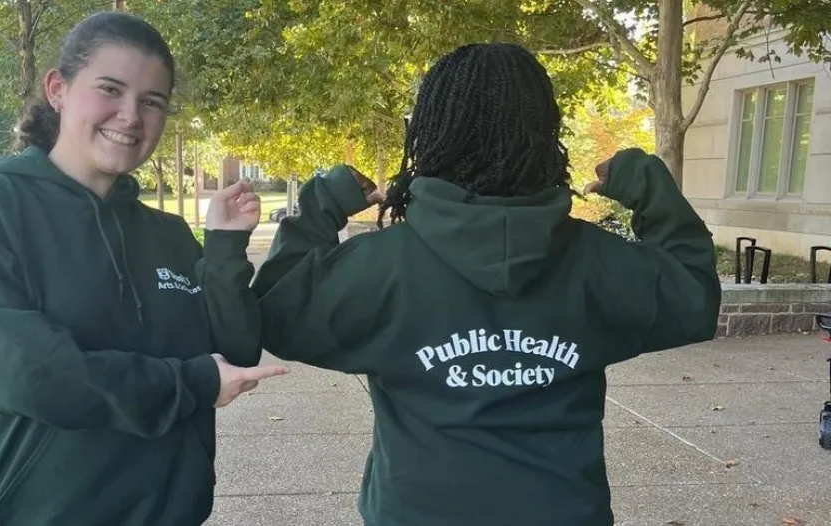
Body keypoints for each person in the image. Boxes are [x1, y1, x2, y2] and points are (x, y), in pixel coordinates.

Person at [252, 43, 721, 526]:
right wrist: (649, 188)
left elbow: (275, 312)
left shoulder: (382, 265)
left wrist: (323, 204)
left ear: (431, 134)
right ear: (544, 133)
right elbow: (692, 297)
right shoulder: (594, 261)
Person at [0, 12, 287, 526]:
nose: (131, 116)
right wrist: (190, 384)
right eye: (110, 89)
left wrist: (224, 247)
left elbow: (234, 353)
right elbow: (24, 372)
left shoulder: (168, 235)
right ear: (58, 88)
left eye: (152, 101)